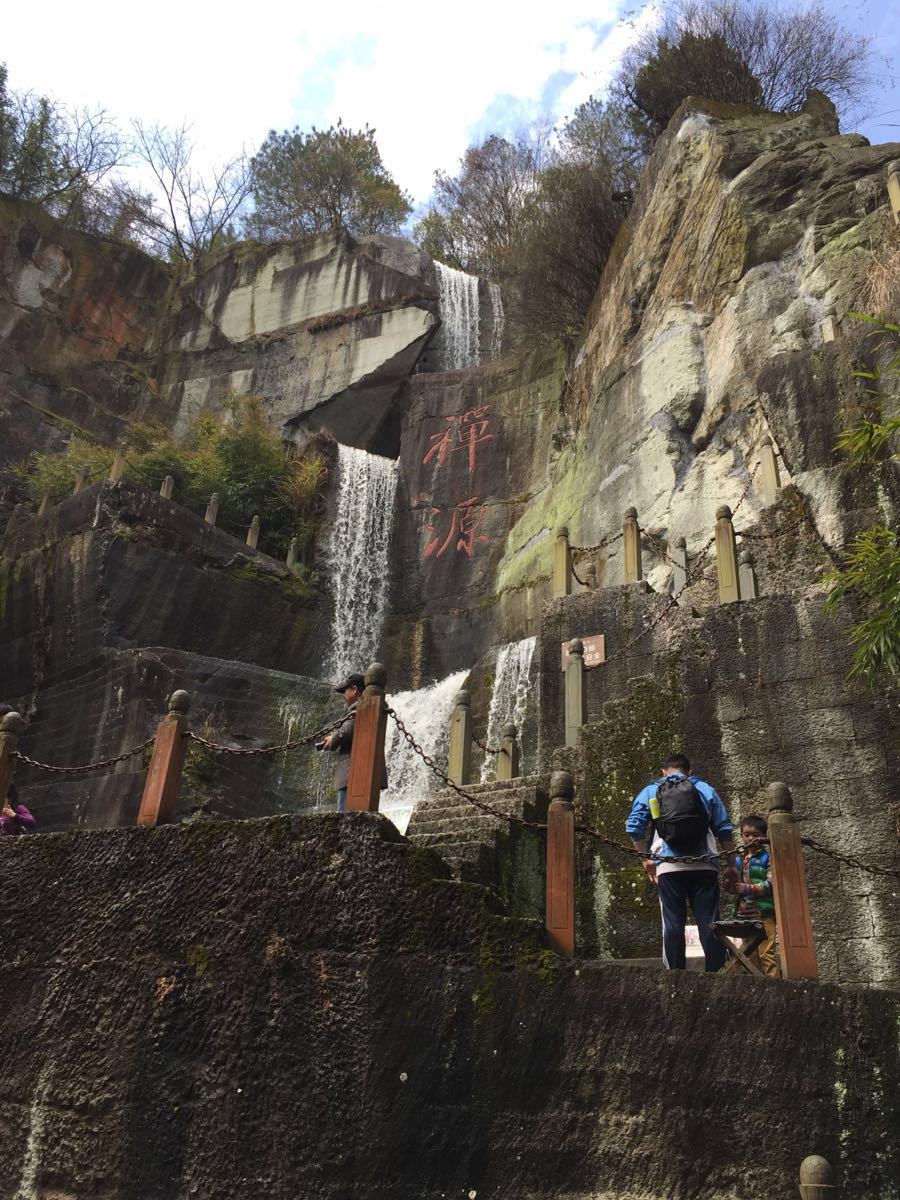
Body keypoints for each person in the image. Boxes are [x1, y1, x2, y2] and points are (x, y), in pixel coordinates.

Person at [626, 752, 737, 971]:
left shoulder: (651, 791)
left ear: (664, 772)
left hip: (668, 867)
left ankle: (674, 979)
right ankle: (717, 977)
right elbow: (724, 830)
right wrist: (732, 865)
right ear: (690, 772)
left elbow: (634, 827)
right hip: (704, 865)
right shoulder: (705, 790)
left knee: (673, 924)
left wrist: (646, 859)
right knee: (710, 924)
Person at [728, 814, 779, 977]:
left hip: (764, 912)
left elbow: (771, 882)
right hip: (745, 913)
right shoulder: (739, 858)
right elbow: (733, 883)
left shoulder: (767, 857)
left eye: (755, 835)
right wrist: (729, 883)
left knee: (766, 953)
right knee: (751, 955)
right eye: (746, 834)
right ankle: (757, 987)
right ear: (742, 835)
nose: (750, 838)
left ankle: (775, 986)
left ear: (763, 836)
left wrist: (748, 889)